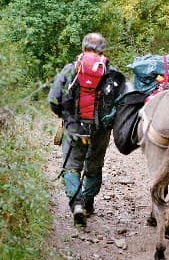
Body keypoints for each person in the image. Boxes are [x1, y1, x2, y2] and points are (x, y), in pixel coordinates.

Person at [48, 33, 121, 227]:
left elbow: (53, 99)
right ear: (102, 50)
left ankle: (77, 204)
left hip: (74, 128)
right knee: (94, 167)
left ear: (83, 47)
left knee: (71, 166)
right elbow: (121, 103)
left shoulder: (71, 69)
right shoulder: (111, 72)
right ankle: (88, 203)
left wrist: (63, 116)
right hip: (99, 130)